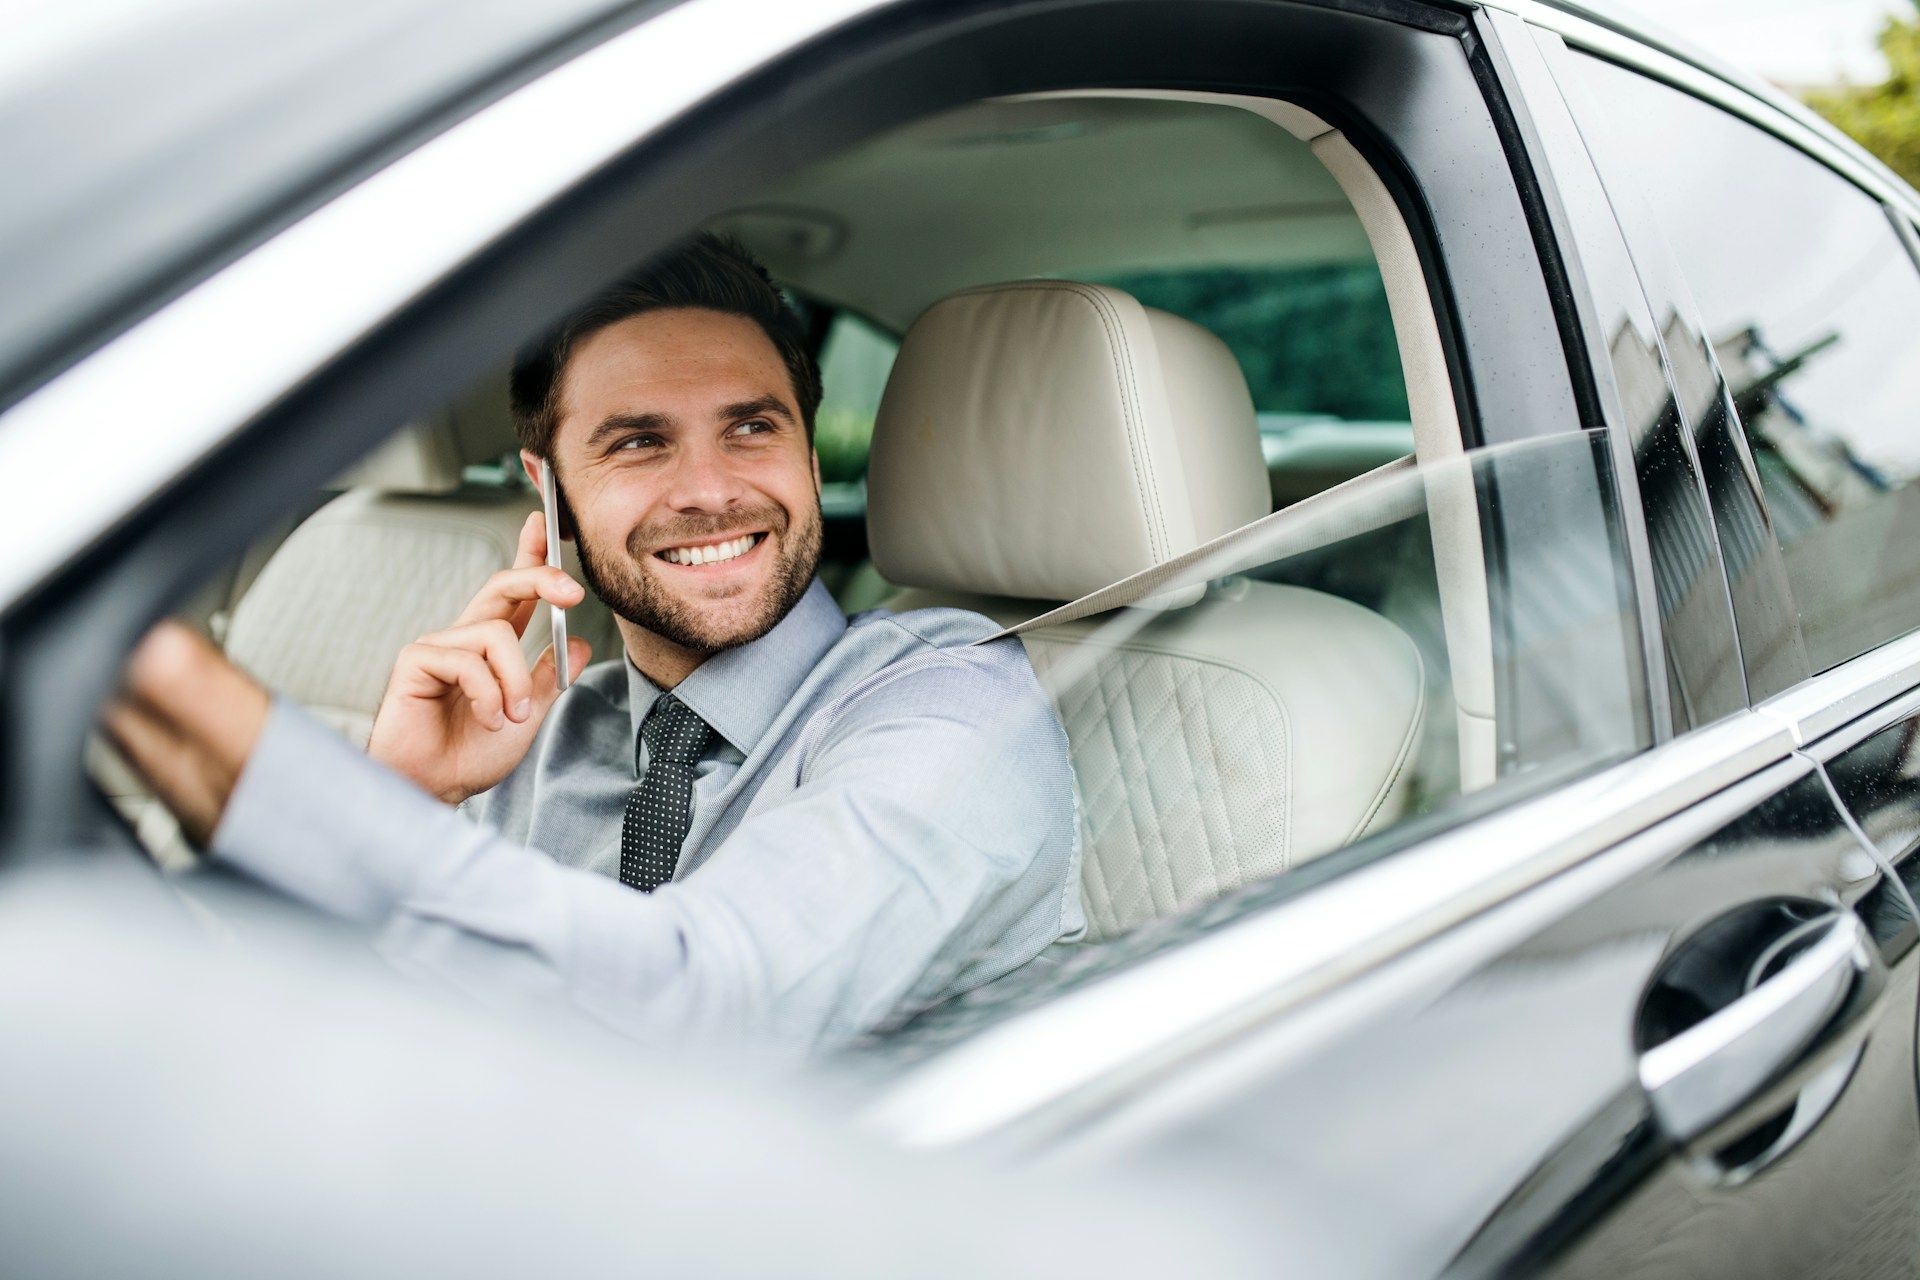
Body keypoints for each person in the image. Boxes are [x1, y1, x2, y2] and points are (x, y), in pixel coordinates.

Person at [103, 233, 1083, 1053]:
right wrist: (403, 796)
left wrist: (189, 700)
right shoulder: (545, 735)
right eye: (638, 441)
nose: (709, 488)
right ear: (549, 487)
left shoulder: (954, 702)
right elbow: (380, 1040)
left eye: (751, 427)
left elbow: (706, 1018)